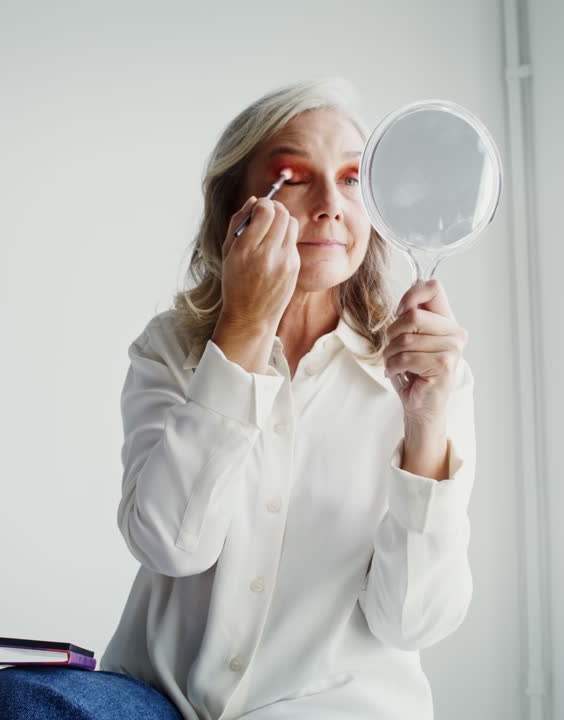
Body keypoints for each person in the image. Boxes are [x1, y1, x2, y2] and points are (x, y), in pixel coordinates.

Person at [97, 77, 477, 720]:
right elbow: (169, 544)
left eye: (354, 180)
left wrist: (425, 422)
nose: (330, 204)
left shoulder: (428, 374)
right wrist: (241, 331)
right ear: (234, 210)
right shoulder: (169, 348)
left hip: (330, 706)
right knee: (12, 702)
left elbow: (413, 621)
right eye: (293, 177)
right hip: (154, 701)